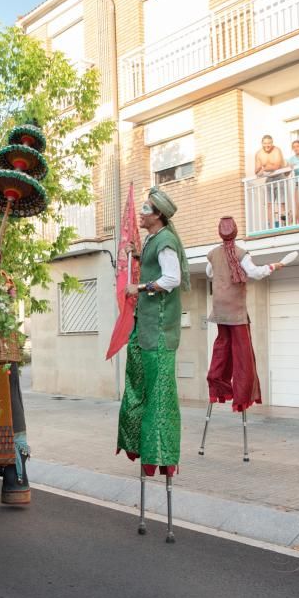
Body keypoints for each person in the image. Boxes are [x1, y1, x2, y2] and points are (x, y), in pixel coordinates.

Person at [118, 187, 189, 542]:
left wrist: (140, 287)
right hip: (144, 331)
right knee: (137, 394)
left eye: (146, 209)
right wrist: (134, 254)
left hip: (158, 334)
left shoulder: (164, 242)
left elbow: (172, 279)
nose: (141, 213)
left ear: (157, 215)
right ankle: (141, 450)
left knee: (158, 403)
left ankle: (159, 456)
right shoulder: (153, 240)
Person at [205, 217, 284, 414]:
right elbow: (255, 273)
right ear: (236, 231)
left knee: (221, 351)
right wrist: (273, 266)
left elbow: (209, 273)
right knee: (243, 356)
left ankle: (218, 389)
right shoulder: (241, 254)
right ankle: (242, 397)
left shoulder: (212, 254)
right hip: (237, 312)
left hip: (220, 311)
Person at [254, 135, 287, 226]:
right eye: (265, 143)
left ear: (272, 143)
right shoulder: (259, 154)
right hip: (269, 179)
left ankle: (283, 224)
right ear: (262, 143)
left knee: (281, 203)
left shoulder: (277, 150)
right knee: (269, 204)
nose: (267, 145)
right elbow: (256, 170)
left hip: (279, 177)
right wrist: (261, 170)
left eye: (269, 143)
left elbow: (276, 166)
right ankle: (271, 225)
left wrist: (264, 169)